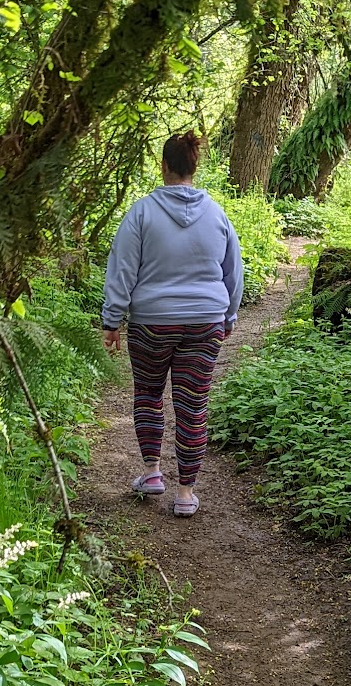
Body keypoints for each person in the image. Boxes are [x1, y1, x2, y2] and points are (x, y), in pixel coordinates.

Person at [100, 130, 243, 517]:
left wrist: (112, 319)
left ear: (163, 166)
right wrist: (228, 315)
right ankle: (185, 495)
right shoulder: (217, 215)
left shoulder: (141, 213)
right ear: (195, 167)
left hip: (151, 323)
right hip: (205, 322)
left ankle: (151, 474)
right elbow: (233, 273)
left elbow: (122, 270)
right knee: (193, 405)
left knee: (148, 394)